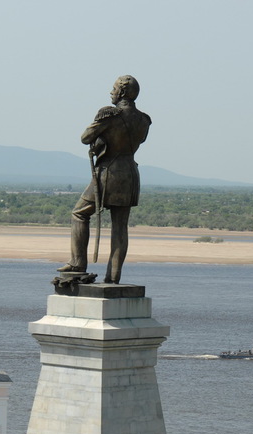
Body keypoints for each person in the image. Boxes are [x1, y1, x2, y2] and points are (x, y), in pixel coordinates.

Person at [57, 75, 151, 285]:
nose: (111, 92)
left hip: (109, 173)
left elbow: (85, 138)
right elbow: (138, 140)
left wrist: (100, 136)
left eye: (114, 88)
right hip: (130, 174)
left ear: (123, 92)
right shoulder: (144, 120)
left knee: (79, 214)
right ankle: (113, 277)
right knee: (120, 227)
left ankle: (78, 263)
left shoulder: (110, 115)